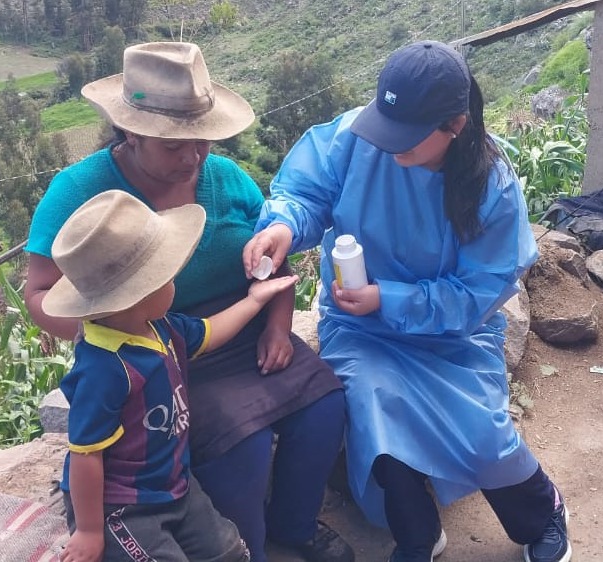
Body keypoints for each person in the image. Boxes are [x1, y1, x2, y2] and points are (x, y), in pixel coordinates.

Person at [243, 40, 572, 562]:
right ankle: (418, 534)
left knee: (481, 431)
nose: (388, 145)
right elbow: (306, 193)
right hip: (360, 328)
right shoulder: (356, 138)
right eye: (385, 126)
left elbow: (477, 293)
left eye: (407, 136)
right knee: (375, 408)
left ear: (455, 125)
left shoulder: (491, 185)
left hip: (453, 332)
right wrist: (284, 225)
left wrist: (388, 297)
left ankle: (543, 511)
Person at [24, 42, 353, 562]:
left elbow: (274, 261)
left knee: (325, 405)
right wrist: (114, 331)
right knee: (239, 446)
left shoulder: (227, 179)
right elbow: (40, 293)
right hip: (158, 353)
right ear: (131, 133)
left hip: (238, 327)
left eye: (201, 140)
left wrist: (276, 327)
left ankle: (295, 526)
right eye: (173, 145)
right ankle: (248, 547)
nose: (192, 157)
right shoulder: (79, 191)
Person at [47, 190, 300, 562]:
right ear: (138, 296)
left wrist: (254, 300)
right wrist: (89, 530)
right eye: (167, 276)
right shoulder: (104, 370)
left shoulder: (160, 327)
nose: (175, 282)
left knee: (230, 552)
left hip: (172, 485)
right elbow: (86, 454)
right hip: (122, 504)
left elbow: (209, 333)